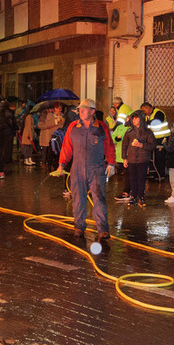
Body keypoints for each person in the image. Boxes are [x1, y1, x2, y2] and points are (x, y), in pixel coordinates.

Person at [52, 99, 116, 243]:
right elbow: (66, 147)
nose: (80, 111)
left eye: (84, 109)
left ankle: (103, 229)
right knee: (78, 199)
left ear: (92, 111)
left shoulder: (101, 127)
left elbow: (110, 146)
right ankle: (79, 226)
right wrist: (61, 164)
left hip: (96, 169)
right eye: (80, 109)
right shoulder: (73, 127)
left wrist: (111, 163)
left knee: (99, 199)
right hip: (77, 169)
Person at [122, 109, 155, 206]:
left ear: (141, 119)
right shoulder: (129, 132)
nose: (134, 120)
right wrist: (124, 158)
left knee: (141, 178)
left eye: (136, 118)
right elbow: (124, 145)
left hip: (143, 159)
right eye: (133, 118)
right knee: (132, 178)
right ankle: (133, 196)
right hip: (131, 159)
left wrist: (141, 145)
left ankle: (140, 196)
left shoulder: (148, 132)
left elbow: (152, 145)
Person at [38, 102, 65, 171]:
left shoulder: (62, 115)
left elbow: (63, 126)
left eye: (60, 108)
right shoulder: (50, 115)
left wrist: (61, 121)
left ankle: (57, 165)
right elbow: (47, 124)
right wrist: (56, 121)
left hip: (59, 137)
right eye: (57, 108)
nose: (58, 109)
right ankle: (49, 165)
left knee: (58, 152)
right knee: (50, 152)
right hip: (51, 136)